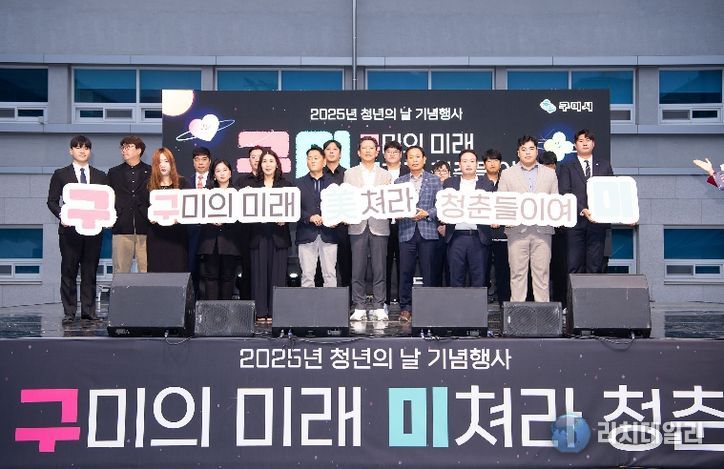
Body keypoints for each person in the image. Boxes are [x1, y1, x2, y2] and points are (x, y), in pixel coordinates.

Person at [47, 135, 109, 323]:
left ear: (90, 151)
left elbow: (106, 203)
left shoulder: (101, 176)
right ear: (71, 151)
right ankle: (69, 312)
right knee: (69, 271)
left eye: (86, 148)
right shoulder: (60, 174)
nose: (82, 151)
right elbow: (52, 201)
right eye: (78, 147)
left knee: (90, 272)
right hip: (70, 231)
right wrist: (62, 216)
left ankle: (89, 312)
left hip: (93, 231)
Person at [497, 136, 558, 302]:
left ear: (537, 151)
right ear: (518, 153)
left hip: (542, 231)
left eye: (531, 149)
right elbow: (501, 201)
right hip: (516, 231)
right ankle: (517, 313)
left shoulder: (550, 174)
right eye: (524, 149)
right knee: (517, 274)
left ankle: (543, 313)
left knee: (542, 274)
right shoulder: (507, 174)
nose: (528, 152)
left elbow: (556, 201)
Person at [344, 136, 392, 321]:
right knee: (357, 268)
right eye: (364, 148)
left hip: (379, 225)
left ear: (377, 151)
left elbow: (390, 201)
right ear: (358, 152)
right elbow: (346, 199)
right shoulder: (350, 173)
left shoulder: (385, 175)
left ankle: (379, 305)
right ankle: (359, 305)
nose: (368, 151)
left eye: (371, 148)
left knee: (380, 268)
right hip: (357, 225)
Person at [394, 145, 441, 322]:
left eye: (417, 157)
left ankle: (427, 307)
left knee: (429, 272)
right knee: (405, 272)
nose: (414, 160)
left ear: (424, 159)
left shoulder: (434, 180)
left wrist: (427, 213)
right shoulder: (399, 182)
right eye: (411, 157)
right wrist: (398, 213)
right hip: (406, 231)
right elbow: (394, 207)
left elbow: (441, 205)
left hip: (427, 231)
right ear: (406, 160)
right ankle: (405, 308)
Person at [558, 129, 614, 274]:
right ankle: (573, 291)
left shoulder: (604, 165)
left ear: (593, 143)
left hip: (598, 222)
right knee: (574, 265)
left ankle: (593, 290)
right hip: (575, 223)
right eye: (581, 141)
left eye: (588, 140)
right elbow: (564, 192)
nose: (584, 143)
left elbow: (611, 192)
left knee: (595, 266)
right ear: (575, 145)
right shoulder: (567, 166)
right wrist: (582, 209)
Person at [248, 149, 292, 320]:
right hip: (258, 235)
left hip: (279, 236)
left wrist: (286, 218)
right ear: (260, 165)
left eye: (271, 161)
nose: (267, 165)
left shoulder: (287, 185)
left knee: (278, 275)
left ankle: (276, 312)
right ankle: (260, 311)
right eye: (264, 161)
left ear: (277, 164)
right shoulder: (252, 187)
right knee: (259, 275)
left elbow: (293, 209)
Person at [443, 150, 495, 290]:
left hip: (478, 237)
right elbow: (440, 206)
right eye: (465, 161)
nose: (468, 164)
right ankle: (456, 305)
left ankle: (477, 306)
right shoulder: (449, 183)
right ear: (459, 164)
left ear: (477, 164)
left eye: (472, 161)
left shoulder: (487, 184)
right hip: (456, 237)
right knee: (455, 278)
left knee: (479, 279)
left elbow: (493, 208)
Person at [197, 159, 241, 300]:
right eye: (218, 171)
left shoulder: (238, 192)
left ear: (230, 172)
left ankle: (225, 310)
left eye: (225, 170)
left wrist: (227, 220)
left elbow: (243, 218)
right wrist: (210, 219)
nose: (222, 173)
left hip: (230, 241)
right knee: (210, 276)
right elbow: (199, 214)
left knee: (228, 277)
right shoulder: (206, 192)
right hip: (210, 241)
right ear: (214, 175)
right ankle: (211, 310)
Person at [108, 136, 151, 273]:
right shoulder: (113, 172)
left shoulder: (151, 171)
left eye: (128, 147)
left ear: (139, 150)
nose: (124, 150)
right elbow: (108, 198)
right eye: (122, 147)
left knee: (147, 269)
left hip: (146, 227)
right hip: (121, 226)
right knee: (120, 270)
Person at [296, 145, 337, 288]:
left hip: (329, 233)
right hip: (306, 233)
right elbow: (293, 208)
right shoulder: (298, 183)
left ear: (324, 161)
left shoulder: (334, 183)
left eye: (316, 158)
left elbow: (339, 206)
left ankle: (331, 302)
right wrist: (309, 217)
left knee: (330, 274)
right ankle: (307, 303)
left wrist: (333, 218)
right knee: (307, 275)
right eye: (309, 158)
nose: (312, 161)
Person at [146, 147, 190, 273]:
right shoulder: (148, 185)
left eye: (166, 161)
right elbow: (142, 206)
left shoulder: (183, 183)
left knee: (178, 269)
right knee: (157, 270)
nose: (163, 165)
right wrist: (150, 217)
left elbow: (189, 206)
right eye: (159, 162)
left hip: (177, 235)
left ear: (172, 163)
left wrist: (180, 217)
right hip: (156, 235)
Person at [234, 145, 264, 300]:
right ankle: (247, 305)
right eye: (253, 157)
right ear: (249, 160)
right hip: (246, 233)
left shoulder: (272, 180)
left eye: (260, 157)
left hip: (266, 232)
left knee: (264, 270)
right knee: (247, 269)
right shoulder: (241, 181)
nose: (256, 160)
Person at [382, 140, 409, 311]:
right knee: (383, 264)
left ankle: (403, 302)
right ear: (384, 155)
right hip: (383, 224)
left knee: (403, 264)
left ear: (400, 155)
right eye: (389, 152)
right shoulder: (378, 173)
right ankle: (384, 301)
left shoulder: (408, 173)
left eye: (395, 152)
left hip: (403, 225)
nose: (392, 155)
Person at [323, 139, 352, 299]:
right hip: (324, 228)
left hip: (344, 228)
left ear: (340, 153)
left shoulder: (348, 174)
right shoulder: (319, 174)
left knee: (346, 265)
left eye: (335, 149)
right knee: (324, 268)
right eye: (328, 149)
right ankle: (325, 300)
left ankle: (347, 301)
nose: (331, 151)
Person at [482, 149, 511, 305]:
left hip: (503, 234)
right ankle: (481, 304)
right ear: (484, 164)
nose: (492, 164)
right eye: (489, 161)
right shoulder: (478, 184)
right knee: (482, 271)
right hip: (482, 234)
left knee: (503, 271)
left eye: (495, 160)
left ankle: (503, 304)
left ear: (501, 163)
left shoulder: (508, 182)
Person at [538, 150, 567, 306]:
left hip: (558, 234)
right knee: (539, 270)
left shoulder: (562, 181)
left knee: (559, 270)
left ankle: (561, 304)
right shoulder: (534, 183)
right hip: (539, 232)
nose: (549, 170)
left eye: (551, 166)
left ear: (555, 166)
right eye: (545, 166)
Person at [187, 147, 215, 296]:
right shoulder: (185, 181)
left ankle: (211, 302)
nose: (200, 163)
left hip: (211, 231)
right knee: (192, 267)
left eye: (204, 159)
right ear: (193, 162)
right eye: (197, 159)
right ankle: (193, 300)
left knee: (211, 268)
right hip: (192, 231)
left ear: (209, 161)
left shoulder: (216, 180)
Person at [431, 160, 451, 287]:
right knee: (434, 269)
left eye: (444, 171)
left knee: (451, 269)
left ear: (449, 173)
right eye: (438, 171)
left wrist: (447, 227)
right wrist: (437, 226)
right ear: (433, 173)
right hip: (433, 234)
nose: (441, 173)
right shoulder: (429, 189)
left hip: (452, 234)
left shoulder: (455, 190)